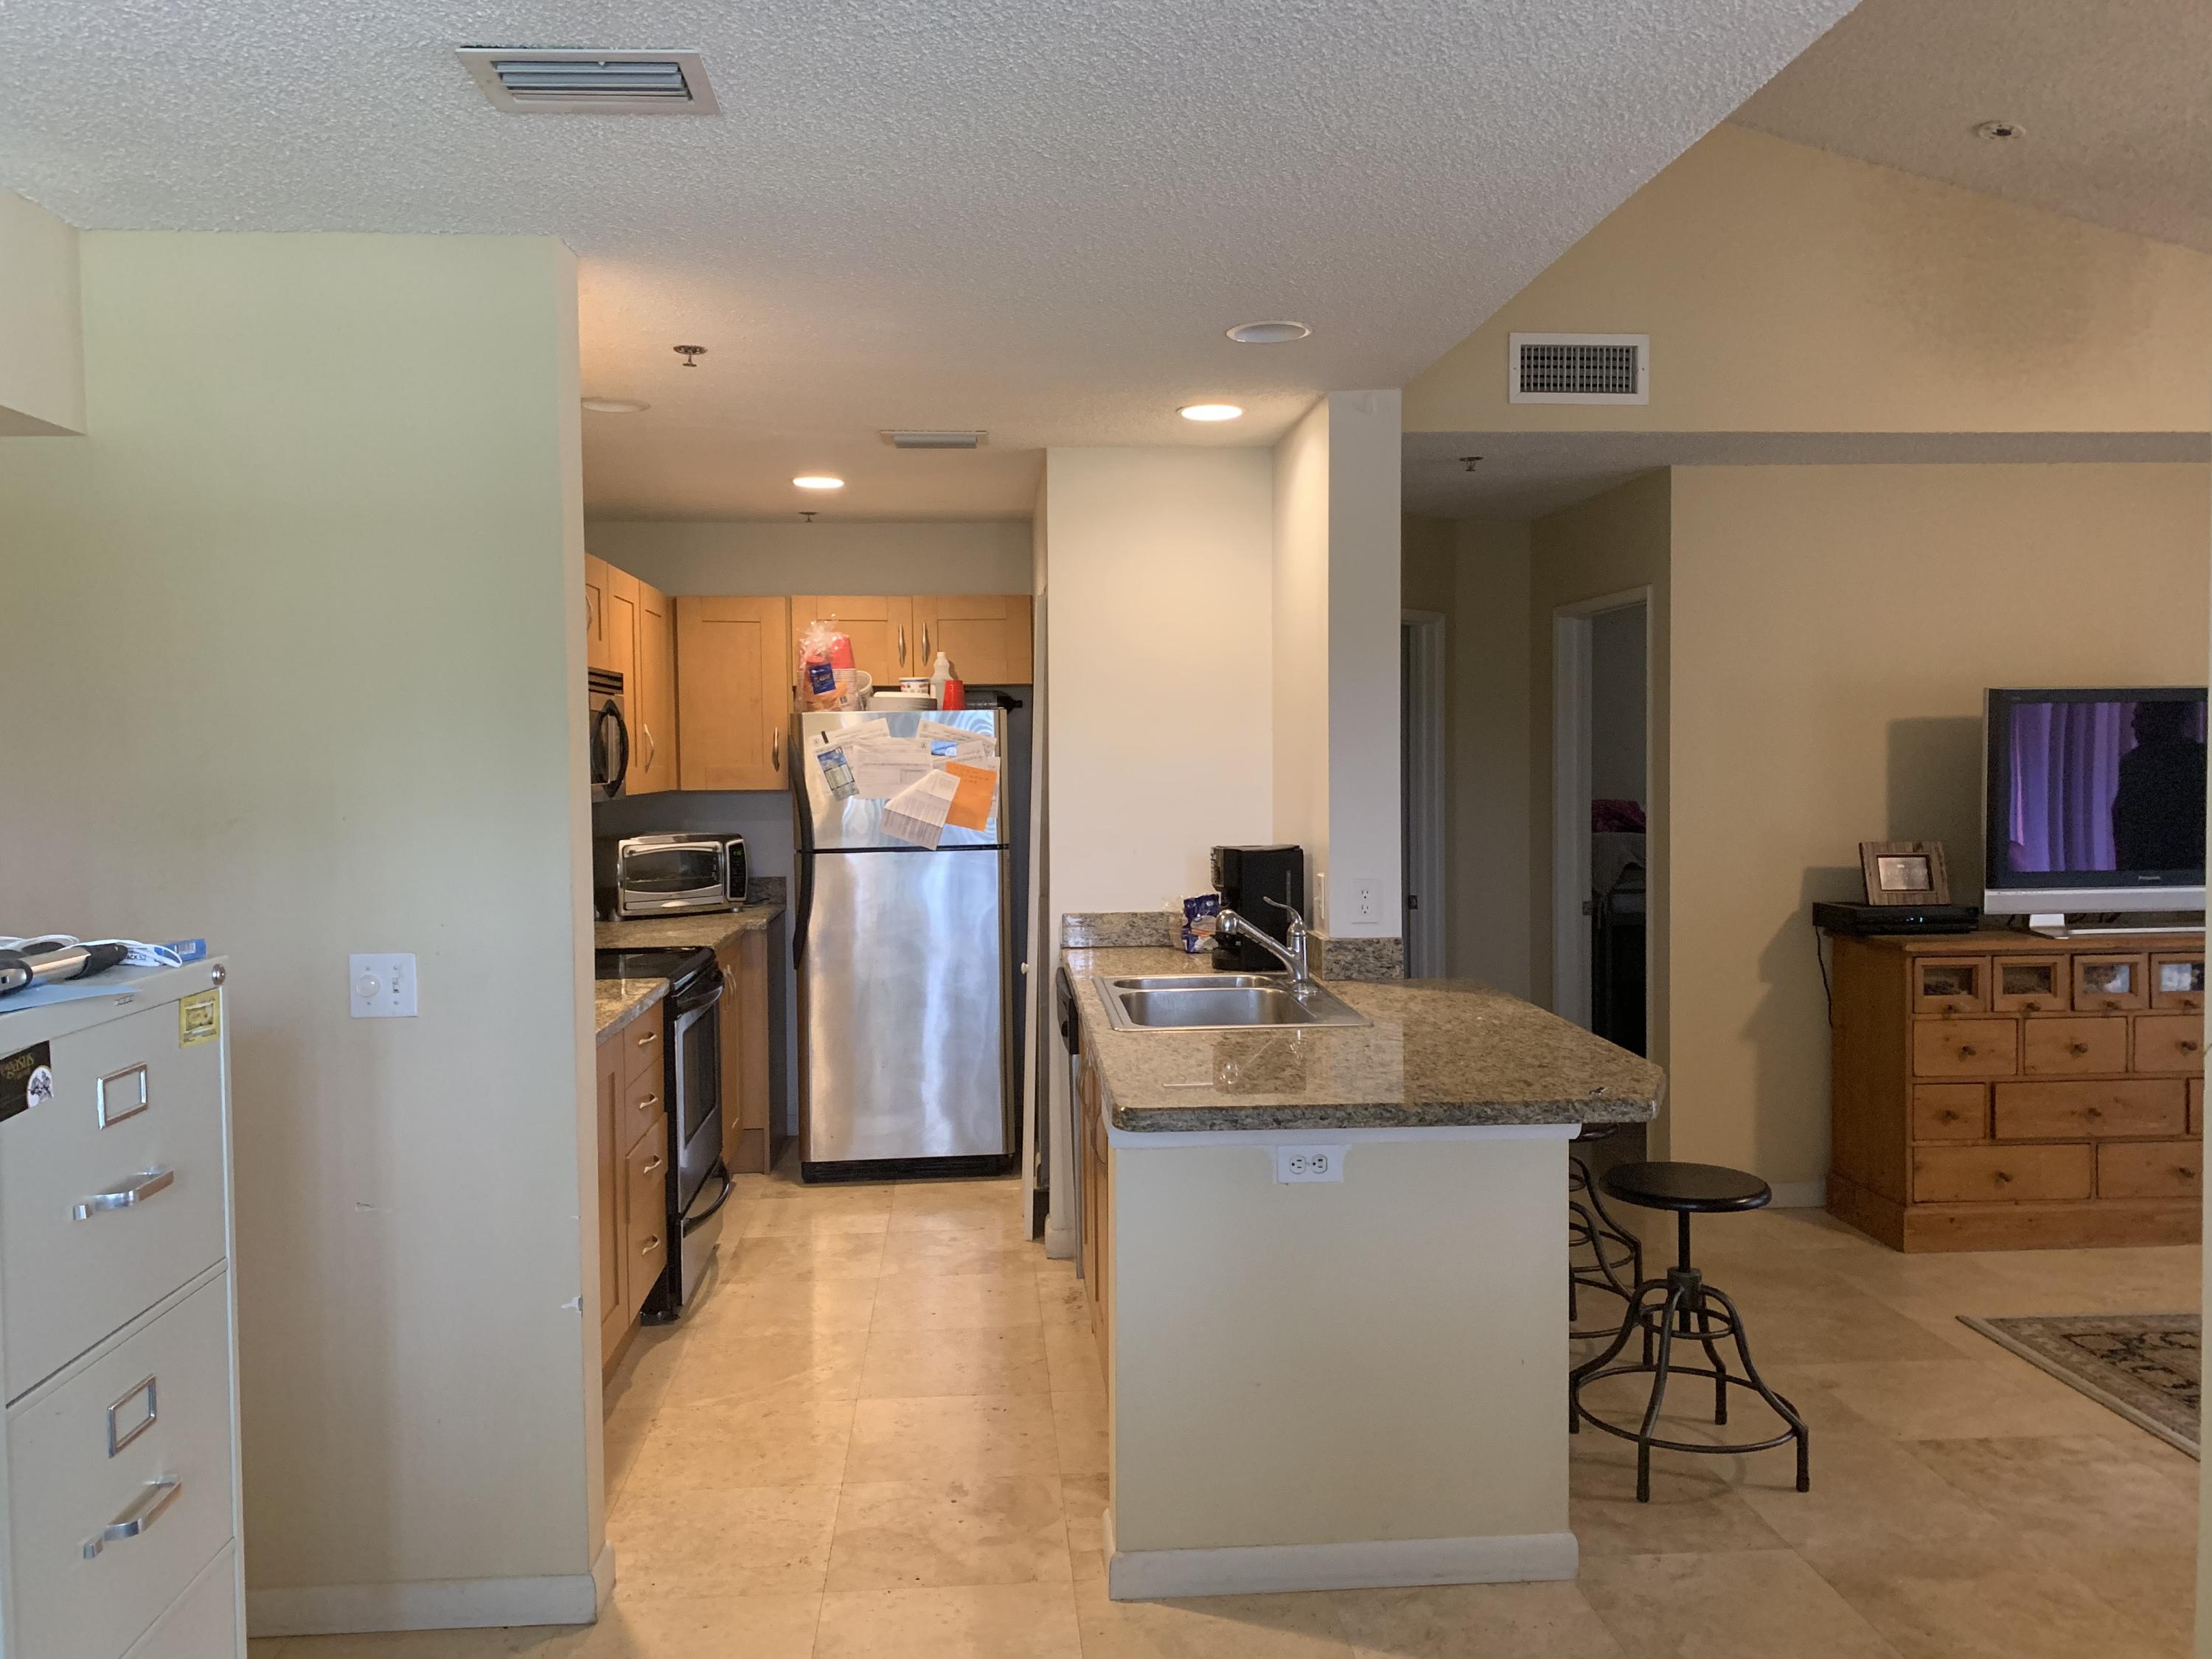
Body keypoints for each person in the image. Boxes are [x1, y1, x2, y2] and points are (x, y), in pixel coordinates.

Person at [2112, 700, 2206, 870]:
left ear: (2163, 719)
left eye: (2139, 717)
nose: (2133, 724)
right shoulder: (2132, 765)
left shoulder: (2200, 761)